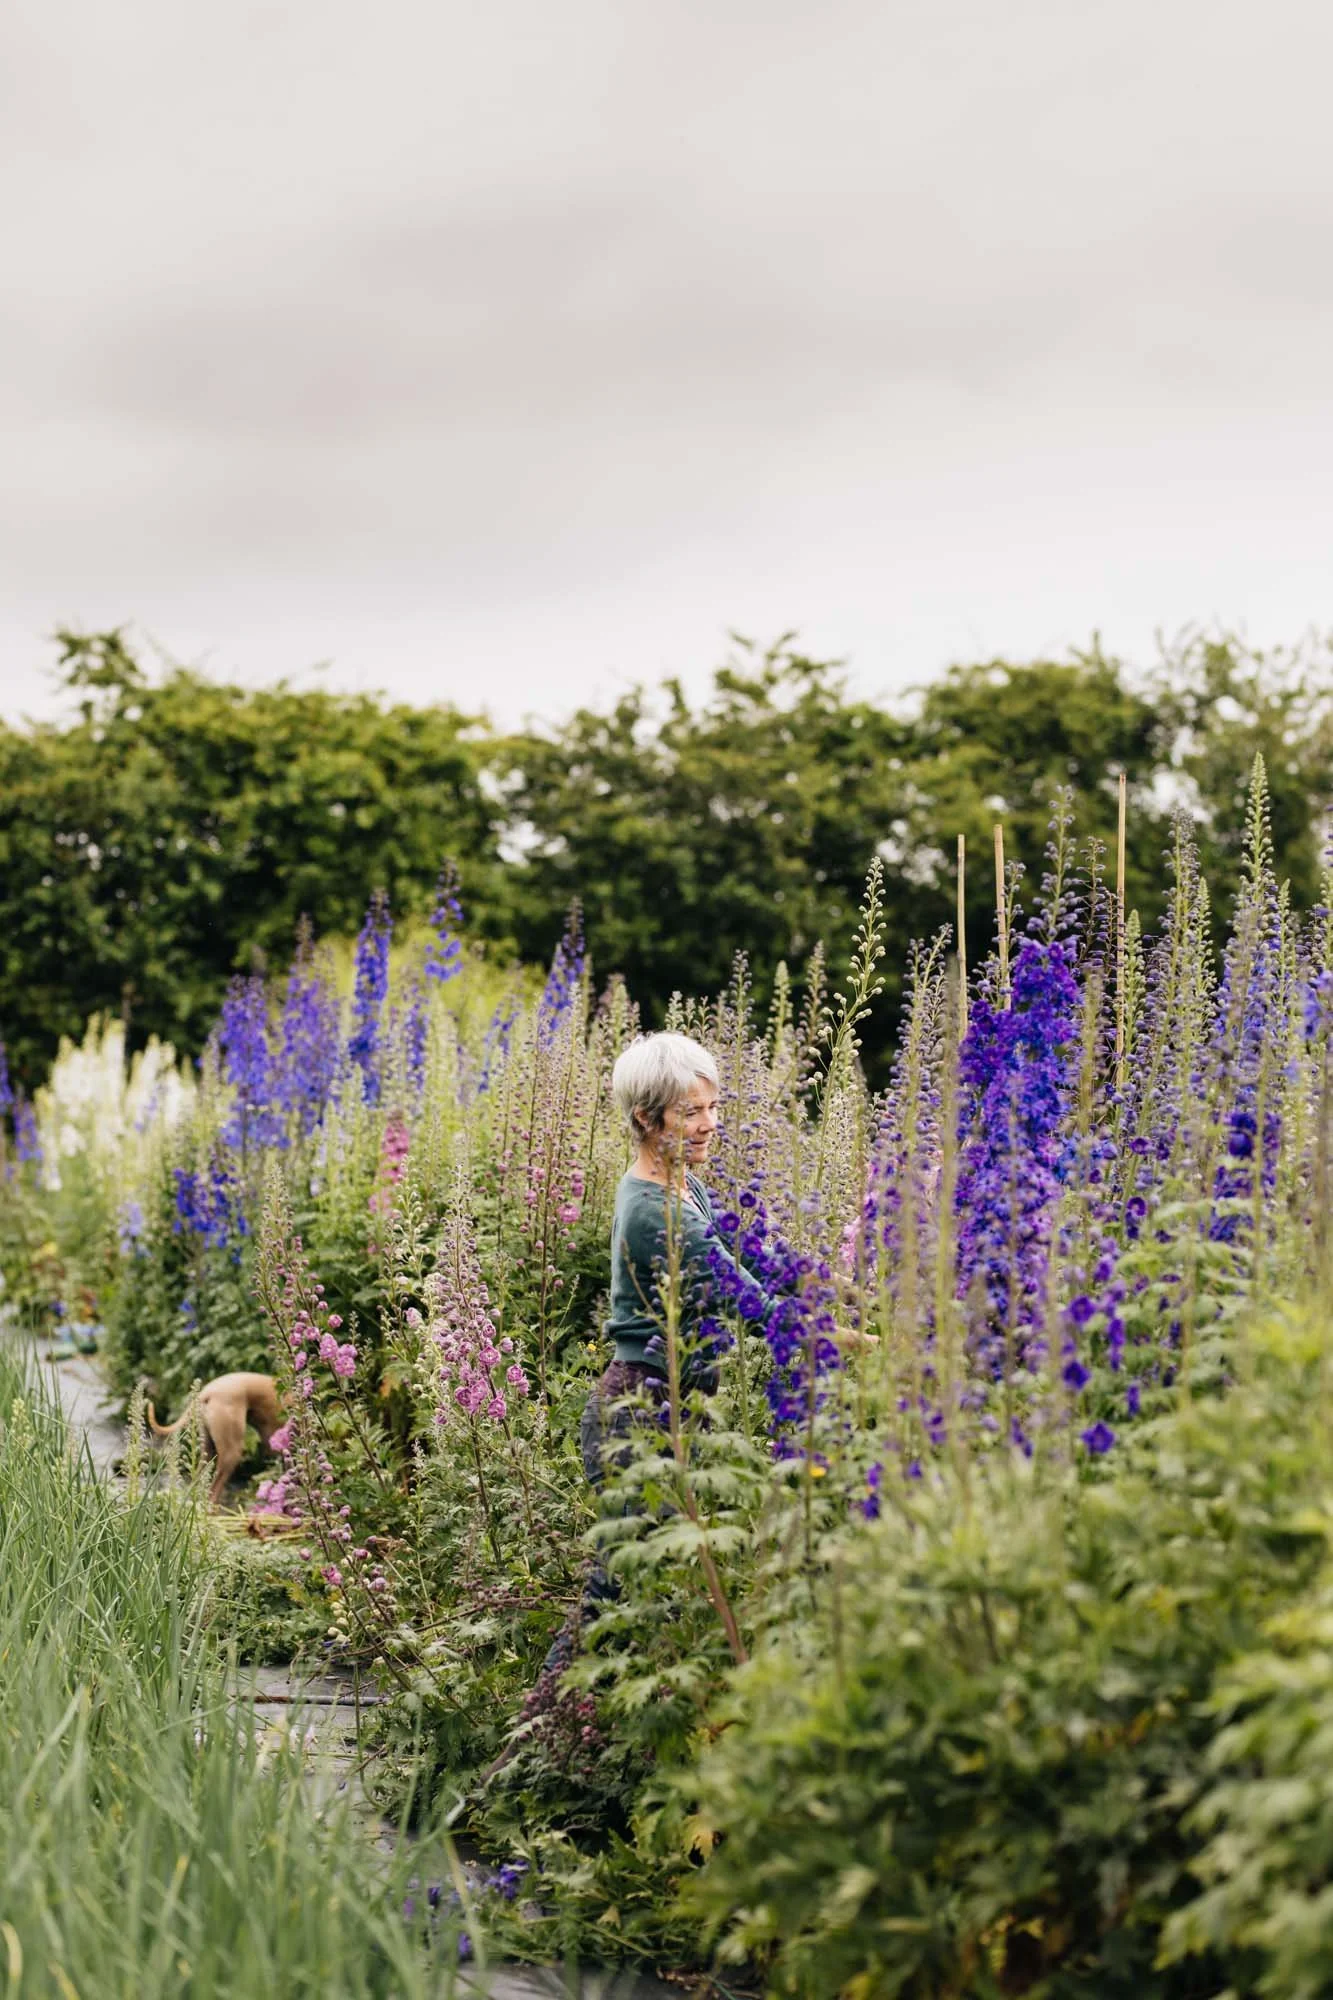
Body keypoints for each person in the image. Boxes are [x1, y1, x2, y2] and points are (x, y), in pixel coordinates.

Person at [579, 1029, 776, 1489]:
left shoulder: (685, 1186)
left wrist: (833, 1286)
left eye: (712, 1107)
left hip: (675, 1405)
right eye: (691, 1112)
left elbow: (748, 1254)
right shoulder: (655, 1211)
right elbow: (742, 1294)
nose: (710, 1124)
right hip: (638, 1416)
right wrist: (843, 1340)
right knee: (638, 1559)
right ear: (647, 1118)